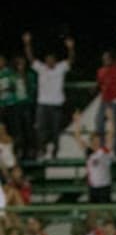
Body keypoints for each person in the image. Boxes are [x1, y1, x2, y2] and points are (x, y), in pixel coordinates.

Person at [23, 31, 74, 159]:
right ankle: (42, 150)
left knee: (56, 130)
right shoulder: (41, 68)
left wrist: (71, 48)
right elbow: (30, 58)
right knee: (40, 129)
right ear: (45, 61)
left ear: (55, 61)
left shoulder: (60, 67)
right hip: (43, 104)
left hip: (56, 104)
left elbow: (70, 60)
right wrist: (27, 43)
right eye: (47, 60)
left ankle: (55, 152)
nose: (49, 62)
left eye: (51, 60)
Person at [95, 29, 116, 157]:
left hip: (115, 100)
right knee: (99, 123)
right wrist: (94, 88)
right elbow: (99, 83)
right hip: (105, 100)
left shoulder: (115, 67)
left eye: (108, 58)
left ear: (111, 59)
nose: (106, 60)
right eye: (104, 58)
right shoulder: (100, 71)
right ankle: (103, 148)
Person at [71, 110, 115, 204]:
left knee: (108, 213)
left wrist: (110, 119)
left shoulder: (104, 151)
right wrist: (77, 122)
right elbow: (77, 137)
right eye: (93, 141)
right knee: (92, 212)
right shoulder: (88, 151)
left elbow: (110, 134)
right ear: (91, 142)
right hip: (93, 187)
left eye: (97, 141)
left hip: (105, 186)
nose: (95, 143)